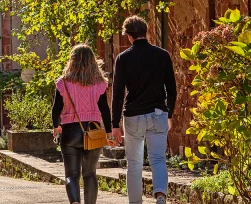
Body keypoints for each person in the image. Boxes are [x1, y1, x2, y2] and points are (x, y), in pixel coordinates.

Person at [111, 16, 177, 204]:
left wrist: (115, 124)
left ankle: (135, 202)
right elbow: (171, 90)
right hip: (158, 113)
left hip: (134, 116)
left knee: (134, 164)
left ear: (129, 36)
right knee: (158, 159)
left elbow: (117, 94)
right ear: (146, 32)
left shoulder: (123, 58)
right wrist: (169, 114)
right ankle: (161, 196)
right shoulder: (162, 55)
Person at [52, 44, 115, 204]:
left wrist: (56, 126)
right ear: (92, 61)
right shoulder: (99, 83)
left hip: (70, 132)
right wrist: (108, 131)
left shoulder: (63, 83)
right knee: (90, 174)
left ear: (72, 61)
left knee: (71, 175)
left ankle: (75, 202)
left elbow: (56, 108)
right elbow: (105, 110)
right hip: (93, 131)